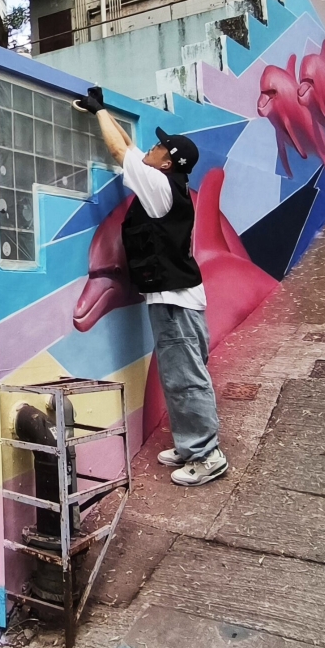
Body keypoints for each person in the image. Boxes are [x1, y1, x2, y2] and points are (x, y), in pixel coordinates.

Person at [75, 86, 227, 486]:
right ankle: (190, 444)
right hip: (175, 299)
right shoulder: (165, 182)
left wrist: (98, 112)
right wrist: (104, 112)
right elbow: (130, 148)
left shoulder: (159, 187)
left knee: (186, 378)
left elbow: (118, 151)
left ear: (167, 163)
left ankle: (206, 455)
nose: (152, 148)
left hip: (176, 303)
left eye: (160, 148)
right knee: (178, 376)